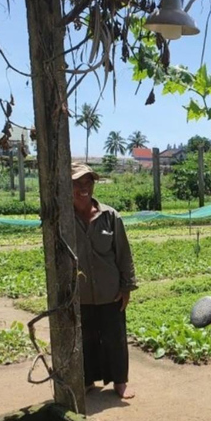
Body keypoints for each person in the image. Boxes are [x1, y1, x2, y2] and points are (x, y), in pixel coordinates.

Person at [72, 163, 137, 399]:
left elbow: (123, 254)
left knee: (115, 337)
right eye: (78, 183)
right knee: (85, 338)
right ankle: (88, 380)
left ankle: (120, 383)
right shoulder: (64, 219)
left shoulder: (110, 217)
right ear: (67, 186)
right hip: (79, 293)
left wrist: (127, 286)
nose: (84, 188)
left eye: (88, 182)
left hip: (110, 291)